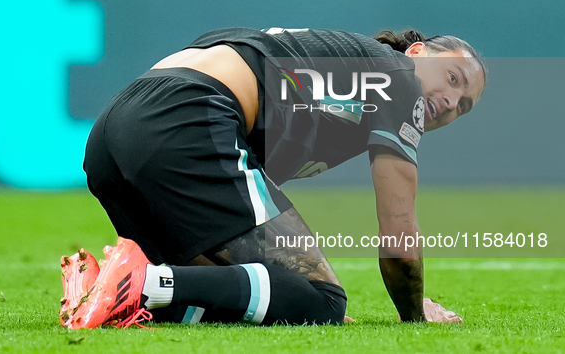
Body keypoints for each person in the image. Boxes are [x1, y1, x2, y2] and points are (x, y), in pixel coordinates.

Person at [59, 27, 486, 329]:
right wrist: (415, 314)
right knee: (324, 301)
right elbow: (399, 233)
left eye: (463, 105)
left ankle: (105, 287)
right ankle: (142, 282)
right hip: (187, 114)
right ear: (416, 54)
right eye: (452, 78)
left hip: (115, 129)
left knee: (275, 298)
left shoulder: (346, 73)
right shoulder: (399, 79)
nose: (450, 101)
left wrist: (293, 297)